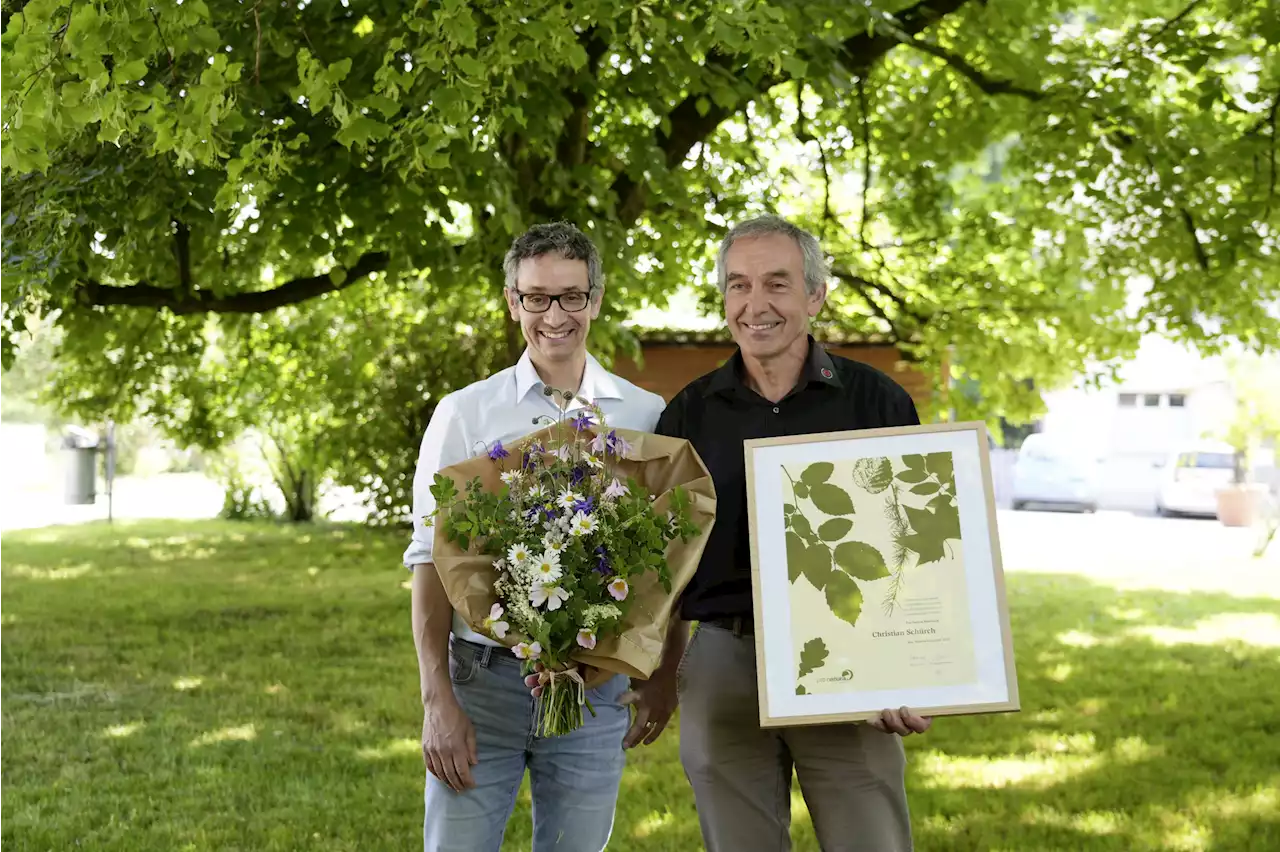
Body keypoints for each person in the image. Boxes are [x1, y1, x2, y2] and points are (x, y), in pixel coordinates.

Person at [654, 214, 933, 852]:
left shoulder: (876, 402)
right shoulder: (688, 413)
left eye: (777, 284)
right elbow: (666, 556)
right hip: (726, 662)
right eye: (738, 285)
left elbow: (920, 542)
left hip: (855, 661)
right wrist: (662, 670)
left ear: (814, 295)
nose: (756, 305)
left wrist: (913, 669)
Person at [403, 221, 671, 852]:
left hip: (592, 690)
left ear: (596, 300)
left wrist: (657, 670)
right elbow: (429, 560)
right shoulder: (465, 413)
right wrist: (436, 700)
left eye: (572, 296)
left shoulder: (643, 414)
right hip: (480, 685)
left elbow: (662, 564)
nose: (555, 314)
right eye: (537, 297)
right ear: (512, 301)